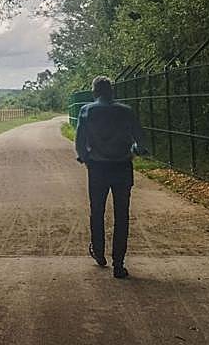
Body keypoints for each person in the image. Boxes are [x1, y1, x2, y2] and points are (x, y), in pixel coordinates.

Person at [73, 75, 148, 279]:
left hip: (97, 167)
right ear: (111, 91)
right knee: (121, 215)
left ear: (94, 92)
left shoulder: (86, 110)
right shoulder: (126, 111)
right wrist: (135, 150)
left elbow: (80, 141)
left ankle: (98, 251)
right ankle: (118, 263)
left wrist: (85, 158)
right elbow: (140, 141)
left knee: (96, 210)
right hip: (122, 167)